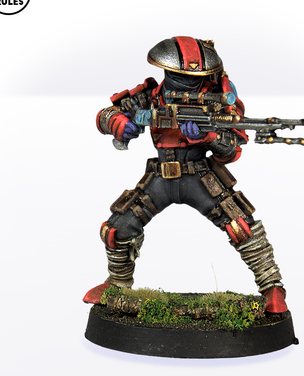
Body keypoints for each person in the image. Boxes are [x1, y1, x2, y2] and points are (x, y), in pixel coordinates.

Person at [83, 36, 288, 313]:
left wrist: (209, 136)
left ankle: (272, 288)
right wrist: (118, 124)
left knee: (241, 226)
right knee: (117, 229)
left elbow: (232, 149)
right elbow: (105, 114)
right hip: (159, 177)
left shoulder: (215, 100)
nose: (189, 83)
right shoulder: (151, 96)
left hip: (200, 177)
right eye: (182, 77)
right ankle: (117, 284)